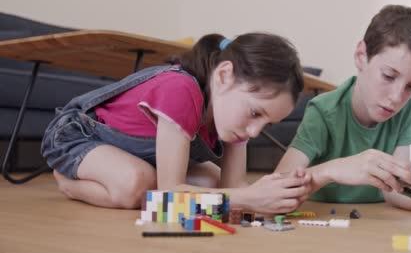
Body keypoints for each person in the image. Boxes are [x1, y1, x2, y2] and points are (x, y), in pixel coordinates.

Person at [41, 33, 310, 213]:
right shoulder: (180, 89)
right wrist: (248, 199)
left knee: (214, 186)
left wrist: (275, 195)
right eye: (255, 113)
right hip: (78, 136)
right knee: (138, 184)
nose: (254, 131)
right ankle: (68, 182)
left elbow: (234, 185)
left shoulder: (235, 116)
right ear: (224, 76)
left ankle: (117, 173)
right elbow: (168, 196)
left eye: (267, 124)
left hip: (137, 156)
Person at [276, 5, 411, 216]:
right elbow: (279, 185)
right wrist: (334, 170)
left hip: (388, 187)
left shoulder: (407, 103)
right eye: (388, 76)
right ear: (361, 56)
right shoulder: (323, 112)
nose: (396, 98)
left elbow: (394, 190)